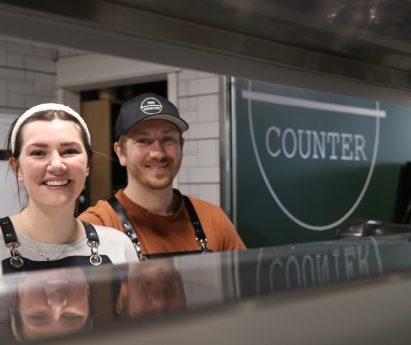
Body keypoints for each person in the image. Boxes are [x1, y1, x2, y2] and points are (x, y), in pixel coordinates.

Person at [79, 93, 246, 259]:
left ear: (181, 145)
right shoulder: (96, 226)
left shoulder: (214, 219)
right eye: (143, 140)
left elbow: (244, 283)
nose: (158, 153)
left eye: (168, 139)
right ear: (121, 152)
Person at [0, 103, 138, 275]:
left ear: (88, 165)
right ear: (16, 168)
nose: (57, 165)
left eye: (70, 151)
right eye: (38, 153)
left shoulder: (118, 246)